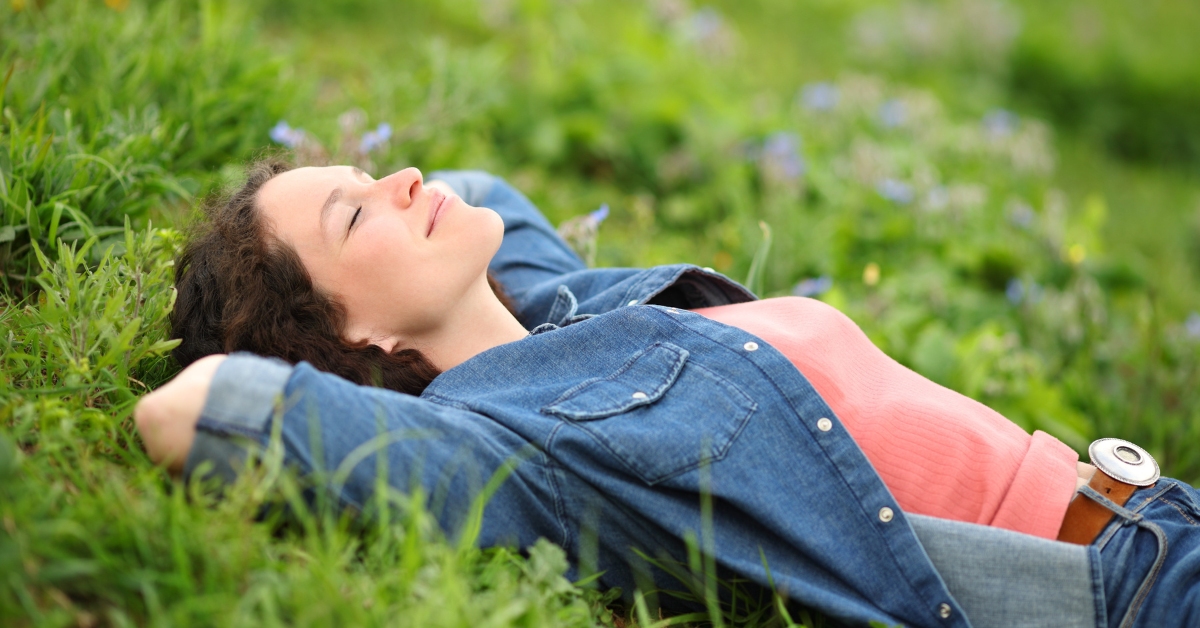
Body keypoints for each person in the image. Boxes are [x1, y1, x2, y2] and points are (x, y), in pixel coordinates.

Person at [135, 161, 1200, 628]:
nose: (402, 180)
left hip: (1159, 516)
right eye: (355, 218)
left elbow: (488, 189)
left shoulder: (563, 309)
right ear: (350, 338)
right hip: (1126, 595)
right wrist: (354, 377)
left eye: (366, 172)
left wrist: (359, 228)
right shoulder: (526, 453)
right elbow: (194, 410)